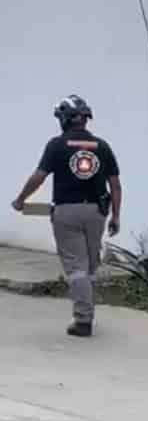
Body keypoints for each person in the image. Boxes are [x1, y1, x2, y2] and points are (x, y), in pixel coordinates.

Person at [10, 95, 121, 337]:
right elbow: (115, 185)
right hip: (96, 212)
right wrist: (116, 217)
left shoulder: (56, 145)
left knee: (75, 267)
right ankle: (86, 310)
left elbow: (39, 177)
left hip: (66, 213)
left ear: (64, 119)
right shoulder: (101, 146)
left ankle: (83, 319)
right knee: (90, 266)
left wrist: (21, 200)